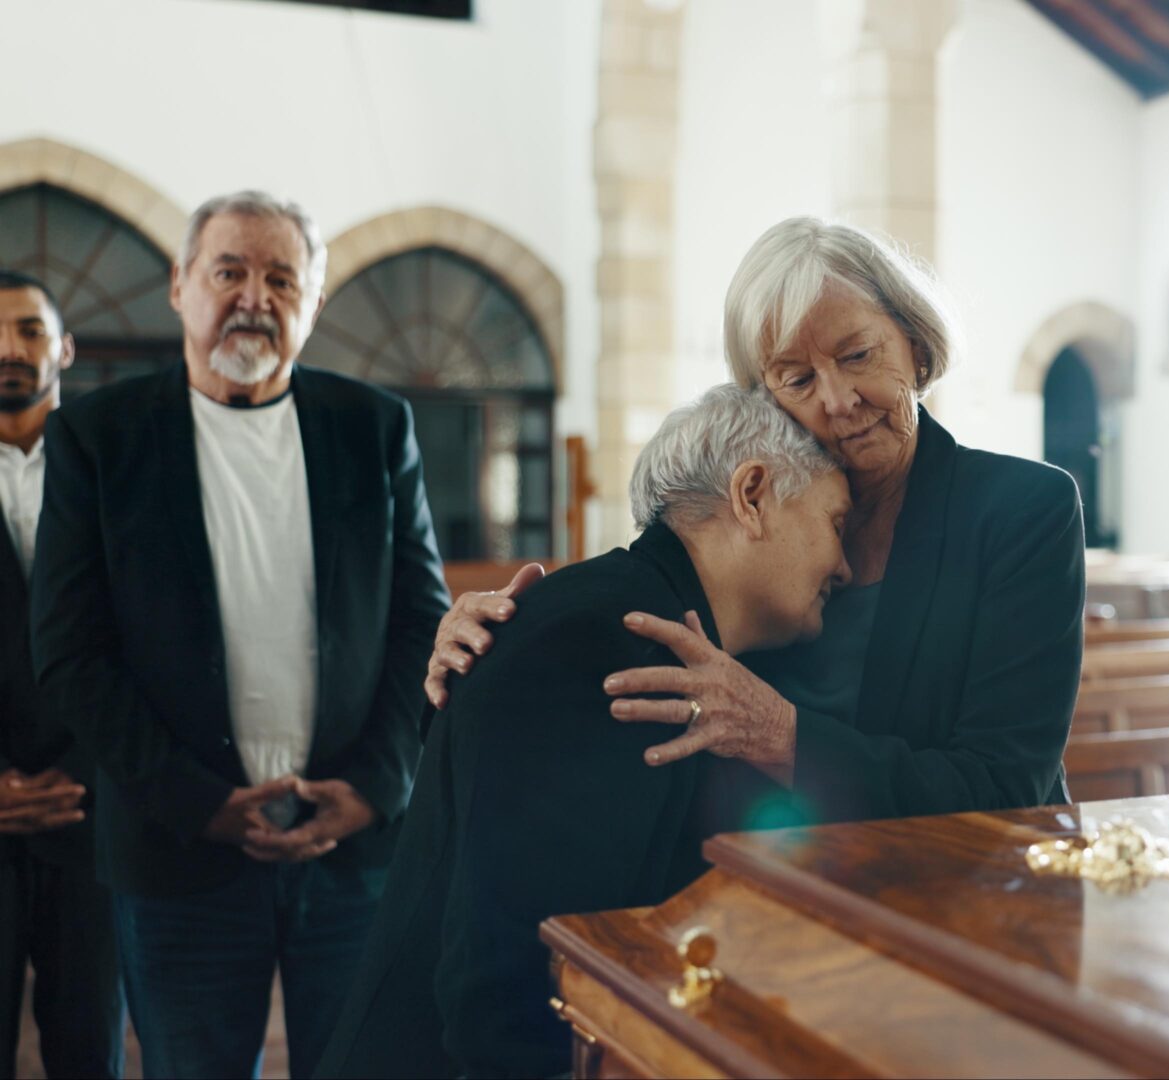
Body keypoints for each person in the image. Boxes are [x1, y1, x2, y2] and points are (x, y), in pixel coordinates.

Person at [428, 216, 1084, 827]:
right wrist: (492, 643)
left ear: (914, 345)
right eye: (796, 379)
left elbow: (1004, 791)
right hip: (775, 898)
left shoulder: (1023, 510)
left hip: (969, 894)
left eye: (857, 355)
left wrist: (783, 736)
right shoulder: (754, 517)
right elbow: (647, 620)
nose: (837, 400)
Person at [30, 192, 449, 1078]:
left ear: (314, 305)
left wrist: (375, 786)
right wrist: (198, 804)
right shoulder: (98, 439)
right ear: (180, 286)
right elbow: (71, 653)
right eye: (229, 271)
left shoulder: (372, 428)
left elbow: (423, 623)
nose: (254, 296)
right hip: (178, 850)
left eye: (280, 278)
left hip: (351, 847)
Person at [319, 384, 852, 1079]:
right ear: (752, 495)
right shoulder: (603, 642)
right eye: (837, 522)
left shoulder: (639, 621)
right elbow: (514, 974)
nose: (844, 565)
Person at [0, 271, 124, 1079]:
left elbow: (145, 638)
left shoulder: (115, 470)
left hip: (95, 810)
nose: (9, 350)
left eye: (30, 331)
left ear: (65, 349)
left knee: (89, 1049)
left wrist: (89, 773)